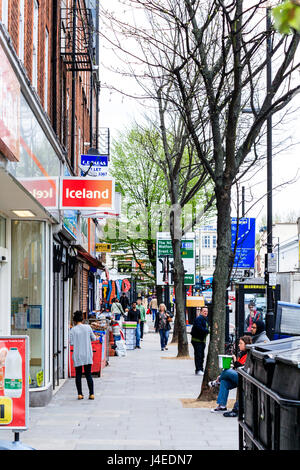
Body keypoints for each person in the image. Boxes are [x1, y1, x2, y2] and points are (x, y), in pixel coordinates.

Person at [210, 335, 252, 413]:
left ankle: (217, 381)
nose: (239, 345)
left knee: (227, 371)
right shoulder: (242, 353)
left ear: (246, 345)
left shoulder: (249, 355)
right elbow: (237, 368)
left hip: (244, 379)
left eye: (241, 343)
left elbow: (242, 368)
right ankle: (222, 406)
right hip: (238, 377)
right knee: (224, 382)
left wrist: (235, 360)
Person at [69, 311, 97, 400]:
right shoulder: (88, 327)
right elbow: (93, 338)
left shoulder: (72, 330)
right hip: (87, 354)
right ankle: (91, 394)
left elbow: (72, 343)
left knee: (78, 374)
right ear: (82, 319)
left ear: (74, 320)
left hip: (78, 355)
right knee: (88, 374)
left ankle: (80, 394)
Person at [190, 306, 210, 375]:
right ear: (201, 312)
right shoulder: (199, 319)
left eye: (207, 311)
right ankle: (198, 369)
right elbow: (199, 328)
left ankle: (200, 369)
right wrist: (207, 331)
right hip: (197, 340)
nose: (206, 312)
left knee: (201, 355)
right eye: (204, 311)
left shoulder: (205, 319)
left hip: (201, 340)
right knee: (199, 355)